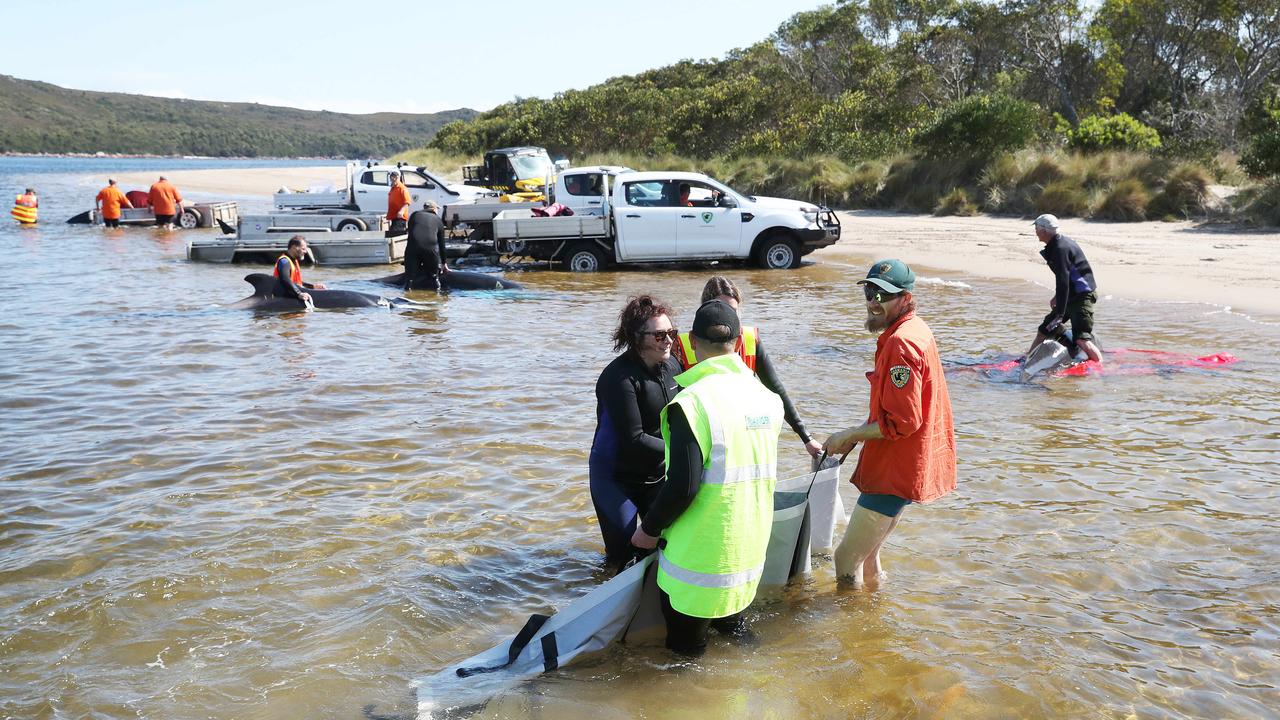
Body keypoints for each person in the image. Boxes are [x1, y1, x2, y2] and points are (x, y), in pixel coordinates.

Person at [631, 299, 783, 656]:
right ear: (738, 344)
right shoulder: (767, 399)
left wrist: (648, 530)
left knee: (686, 656)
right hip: (746, 554)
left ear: (691, 343)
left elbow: (683, 487)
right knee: (736, 637)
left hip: (697, 563)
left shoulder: (692, 403)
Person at [822, 259, 956, 586]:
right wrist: (857, 436)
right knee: (869, 554)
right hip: (907, 466)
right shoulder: (917, 328)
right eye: (870, 291)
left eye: (883, 295)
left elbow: (904, 422)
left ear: (905, 299)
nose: (873, 301)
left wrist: (849, 433)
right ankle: (874, 613)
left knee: (845, 559)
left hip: (893, 472)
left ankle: (852, 632)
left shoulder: (901, 343)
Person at [675, 276, 822, 459]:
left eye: (733, 310)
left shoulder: (750, 339)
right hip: (708, 431)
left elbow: (775, 387)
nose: (727, 318)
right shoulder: (682, 345)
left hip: (743, 429)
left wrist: (806, 438)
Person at [589, 296, 682, 573]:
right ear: (637, 338)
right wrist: (682, 449)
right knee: (623, 556)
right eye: (660, 335)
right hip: (615, 480)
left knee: (667, 541)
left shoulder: (673, 367)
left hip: (656, 474)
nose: (668, 341)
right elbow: (635, 439)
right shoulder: (619, 379)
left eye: (671, 333)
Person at [1027, 214, 1103, 364]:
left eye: (1036, 228)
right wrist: (1057, 298)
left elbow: (1063, 281)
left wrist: (1059, 314)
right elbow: (1065, 280)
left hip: (1082, 297)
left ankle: (1100, 365)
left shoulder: (1060, 248)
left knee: (1081, 339)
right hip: (1069, 295)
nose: (1035, 231)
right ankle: (1028, 359)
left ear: (1045, 230)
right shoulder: (1056, 244)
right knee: (1044, 330)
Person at [403, 201, 450, 290]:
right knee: (434, 277)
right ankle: (436, 296)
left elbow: (411, 233)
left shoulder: (414, 215)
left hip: (412, 249)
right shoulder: (438, 220)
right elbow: (441, 244)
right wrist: (444, 263)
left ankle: (406, 297)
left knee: (409, 279)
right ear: (434, 209)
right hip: (430, 250)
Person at [273, 236, 326, 304]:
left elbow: (296, 283)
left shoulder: (294, 261)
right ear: (294, 248)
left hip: (292, 294)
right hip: (283, 297)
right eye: (303, 249)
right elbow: (285, 279)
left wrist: (313, 286)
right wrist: (299, 294)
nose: (305, 252)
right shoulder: (284, 261)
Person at [386, 171, 413, 236]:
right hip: (394, 217)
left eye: (395, 177)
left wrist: (401, 211)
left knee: (396, 236)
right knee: (391, 235)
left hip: (400, 218)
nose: (393, 179)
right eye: (392, 177)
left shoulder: (402, 188)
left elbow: (407, 202)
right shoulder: (393, 188)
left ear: (398, 178)